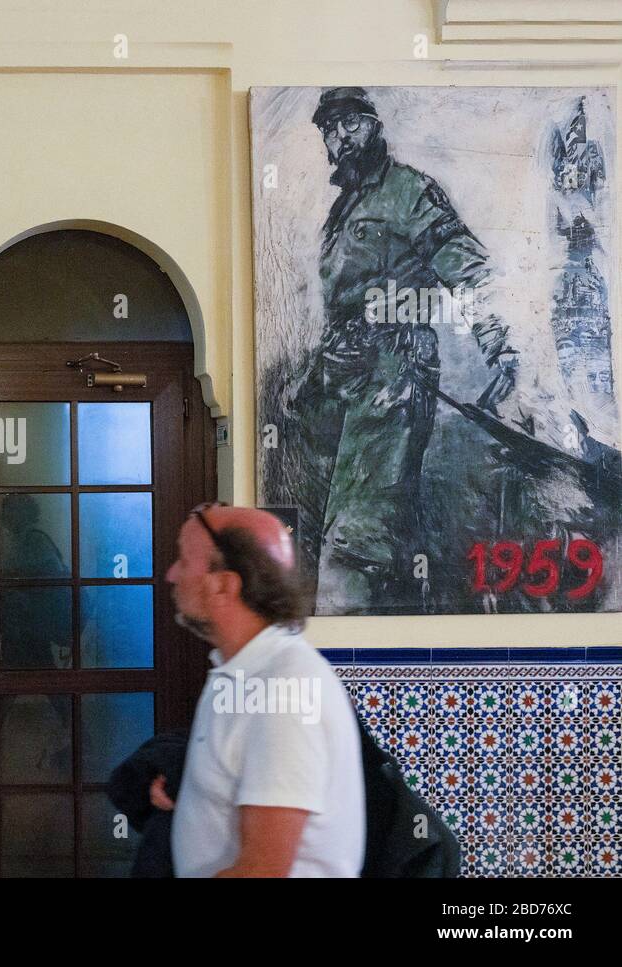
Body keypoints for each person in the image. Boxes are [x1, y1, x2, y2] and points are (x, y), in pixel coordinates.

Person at [284, 87, 574, 612]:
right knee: (361, 525)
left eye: (351, 122)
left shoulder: (409, 191)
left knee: (359, 534)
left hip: (393, 374)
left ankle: (347, 639)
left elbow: (467, 270)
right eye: (330, 128)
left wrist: (502, 347)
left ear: (374, 124)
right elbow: (345, 305)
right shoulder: (347, 204)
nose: (340, 136)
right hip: (345, 374)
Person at [151, 502, 365, 877]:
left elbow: (262, 870)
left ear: (224, 585)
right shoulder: (240, 670)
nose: (171, 574)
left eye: (184, 561)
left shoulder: (285, 691)